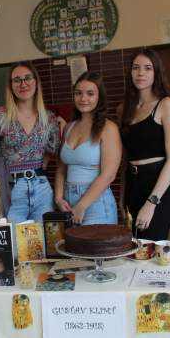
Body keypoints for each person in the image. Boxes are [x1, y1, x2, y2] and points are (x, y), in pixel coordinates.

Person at [0, 61, 60, 223]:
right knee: (14, 238)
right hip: (10, 189)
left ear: (36, 82)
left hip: (41, 188)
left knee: (43, 237)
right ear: (10, 86)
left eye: (28, 78)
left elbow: (53, 150)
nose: (23, 84)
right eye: (17, 80)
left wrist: (64, 126)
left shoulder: (48, 117)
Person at [118, 48, 170, 240]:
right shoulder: (123, 109)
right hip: (132, 184)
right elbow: (125, 158)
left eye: (147, 68)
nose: (141, 73)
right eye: (135, 68)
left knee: (151, 247)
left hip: (157, 185)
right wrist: (121, 196)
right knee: (134, 246)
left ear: (156, 72)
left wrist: (151, 203)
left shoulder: (165, 104)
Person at [55, 71, 121, 225]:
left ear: (100, 97)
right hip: (68, 202)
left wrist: (82, 205)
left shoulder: (108, 128)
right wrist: (58, 198)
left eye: (90, 94)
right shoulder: (69, 127)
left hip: (96, 203)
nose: (83, 98)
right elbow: (61, 167)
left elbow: (109, 175)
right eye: (78, 93)